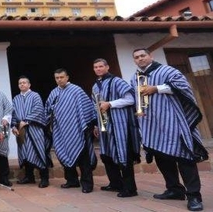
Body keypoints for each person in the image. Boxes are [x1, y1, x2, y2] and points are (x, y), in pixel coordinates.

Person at [131, 48, 208, 211]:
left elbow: (183, 86)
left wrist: (156, 88)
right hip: (151, 125)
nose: (140, 59)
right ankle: (174, 189)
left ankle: (194, 196)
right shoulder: (135, 77)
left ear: (150, 56)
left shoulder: (167, 70)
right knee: (162, 156)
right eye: (136, 57)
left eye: (143, 55)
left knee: (185, 157)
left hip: (173, 121)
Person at [91, 59, 141, 198]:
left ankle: (130, 189)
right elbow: (94, 106)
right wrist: (96, 124)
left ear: (107, 67)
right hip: (104, 125)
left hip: (120, 125)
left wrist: (110, 104)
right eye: (95, 67)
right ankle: (115, 184)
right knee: (106, 155)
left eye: (101, 66)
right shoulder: (95, 86)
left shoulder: (117, 81)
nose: (98, 69)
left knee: (123, 154)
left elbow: (131, 99)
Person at [45, 68, 97, 193]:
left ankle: (87, 184)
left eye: (61, 77)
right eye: (57, 78)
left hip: (78, 129)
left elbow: (88, 107)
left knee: (83, 157)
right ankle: (72, 180)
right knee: (64, 153)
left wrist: (90, 125)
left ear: (67, 77)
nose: (59, 80)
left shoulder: (76, 90)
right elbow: (47, 109)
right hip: (61, 130)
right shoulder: (53, 93)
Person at [11, 76, 52, 188]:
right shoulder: (16, 99)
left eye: (24, 83)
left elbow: (38, 110)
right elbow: (13, 114)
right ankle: (29, 177)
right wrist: (13, 126)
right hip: (21, 130)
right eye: (20, 83)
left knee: (38, 151)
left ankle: (44, 178)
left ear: (29, 85)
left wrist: (27, 120)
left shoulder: (35, 96)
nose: (22, 84)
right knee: (24, 153)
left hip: (35, 129)